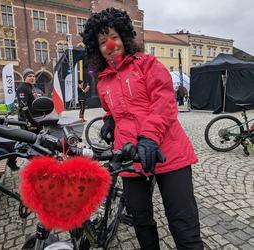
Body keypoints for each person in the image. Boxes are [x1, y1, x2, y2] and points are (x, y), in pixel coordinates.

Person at [81, 8, 203, 250]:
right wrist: (109, 120)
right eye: (103, 42)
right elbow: (111, 107)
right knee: (141, 220)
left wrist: (149, 136)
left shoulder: (147, 64)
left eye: (114, 37)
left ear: (124, 37)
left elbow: (164, 102)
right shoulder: (103, 79)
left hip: (169, 152)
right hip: (129, 157)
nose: (110, 44)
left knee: (183, 226)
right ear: (98, 48)